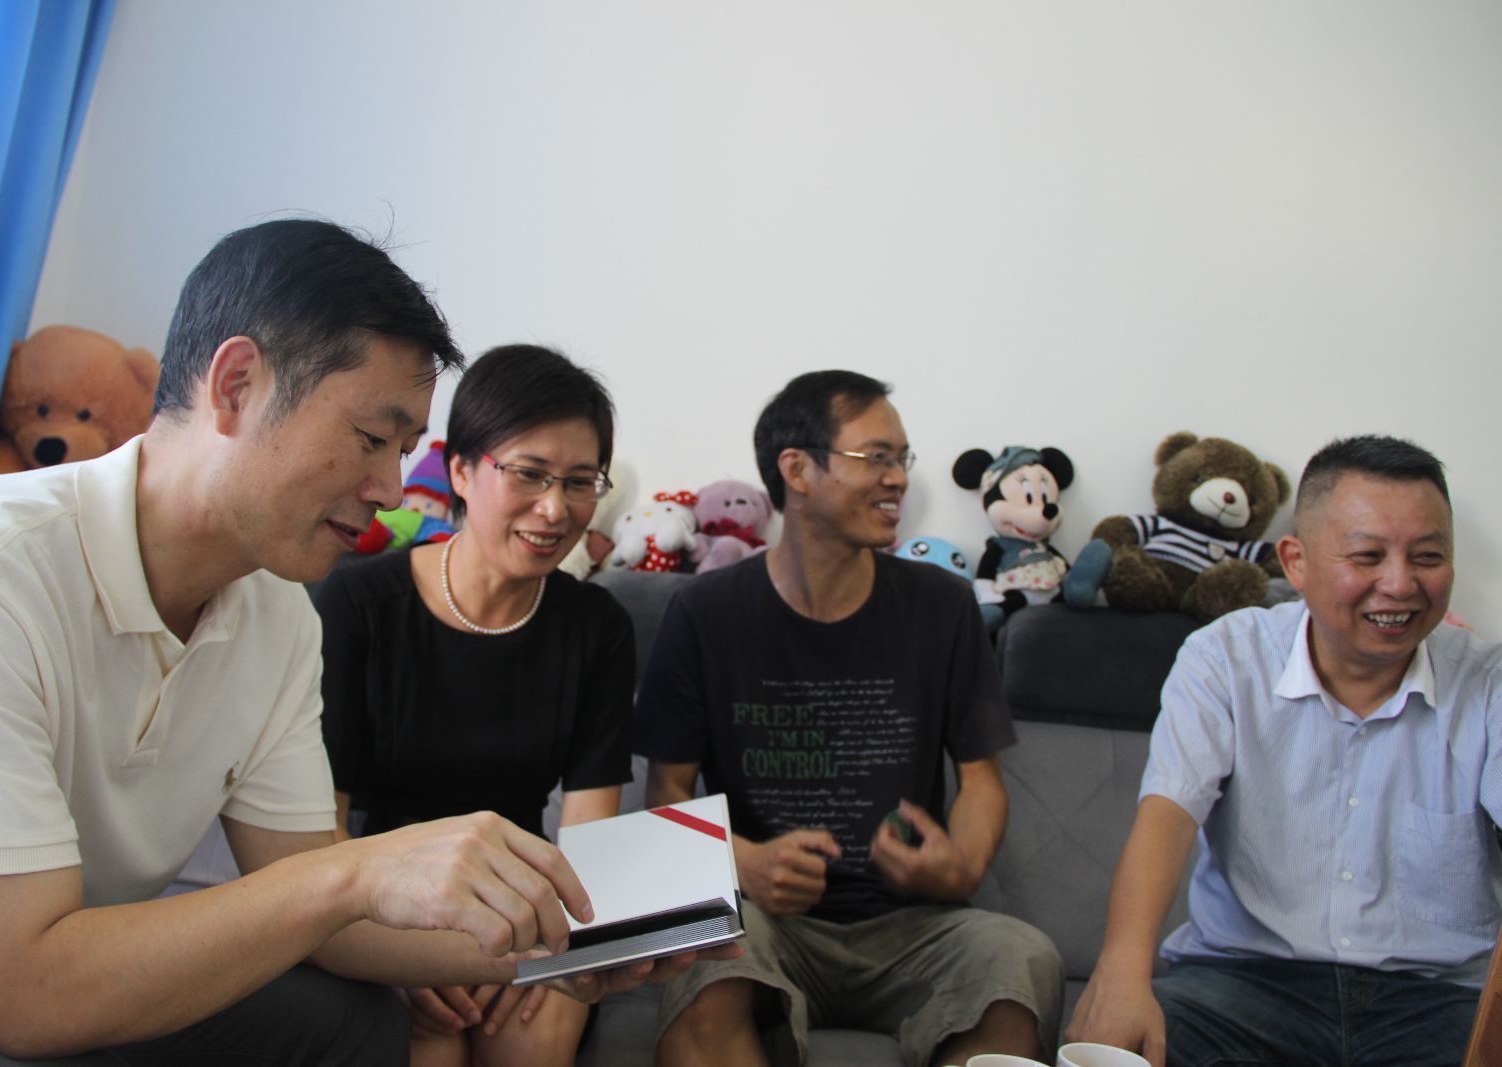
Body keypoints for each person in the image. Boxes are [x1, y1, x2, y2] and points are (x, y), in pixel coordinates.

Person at [0, 219, 719, 1065]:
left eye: (404, 451)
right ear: (237, 385)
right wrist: (354, 873)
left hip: (96, 977)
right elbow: (30, 997)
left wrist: (566, 946)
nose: (391, 488)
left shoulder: (279, 615)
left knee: (355, 1020)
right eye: (371, 438)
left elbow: (326, 914)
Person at [633, 370, 1064, 1067]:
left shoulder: (942, 606)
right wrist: (744, 863)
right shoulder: (704, 612)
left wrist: (958, 868)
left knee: (1021, 958)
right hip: (768, 922)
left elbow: (982, 780)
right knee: (706, 960)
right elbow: (666, 793)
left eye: (902, 458)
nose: (899, 478)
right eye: (876, 457)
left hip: (912, 927)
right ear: (797, 469)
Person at [1067, 434, 1500, 1067]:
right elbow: (1168, 816)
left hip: (1437, 1001)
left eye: (1428, 556)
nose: (1400, 583)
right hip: (1244, 988)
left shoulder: (1488, 683)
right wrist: (1121, 973)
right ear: (1295, 562)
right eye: (1368, 556)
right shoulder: (1225, 657)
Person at [314, 343, 634, 1066]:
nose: (554, 508)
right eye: (529, 473)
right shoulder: (360, 605)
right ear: (460, 469)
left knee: (531, 1039)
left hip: (527, 906)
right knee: (433, 1047)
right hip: (385, 899)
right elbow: (321, 829)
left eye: (579, 482)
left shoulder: (597, 627)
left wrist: (543, 944)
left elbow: (591, 836)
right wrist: (390, 952)